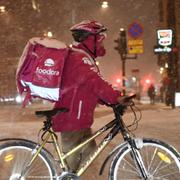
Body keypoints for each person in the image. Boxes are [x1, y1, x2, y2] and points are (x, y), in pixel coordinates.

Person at [52, 20, 127, 172]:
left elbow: (90, 88)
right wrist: (116, 97)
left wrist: (111, 101)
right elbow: (95, 82)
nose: (101, 42)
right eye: (99, 38)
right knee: (71, 168)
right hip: (71, 120)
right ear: (89, 39)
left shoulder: (82, 57)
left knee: (89, 154)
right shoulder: (79, 58)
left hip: (79, 120)